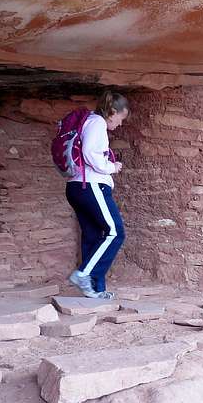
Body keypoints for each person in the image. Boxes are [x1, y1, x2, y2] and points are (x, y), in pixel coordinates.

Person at [66, 91, 129, 299]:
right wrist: (112, 167)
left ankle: (95, 289)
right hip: (91, 185)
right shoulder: (97, 123)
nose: (119, 124)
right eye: (120, 118)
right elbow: (91, 153)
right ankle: (83, 274)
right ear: (112, 112)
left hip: (78, 186)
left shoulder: (89, 123)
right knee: (115, 232)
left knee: (93, 235)